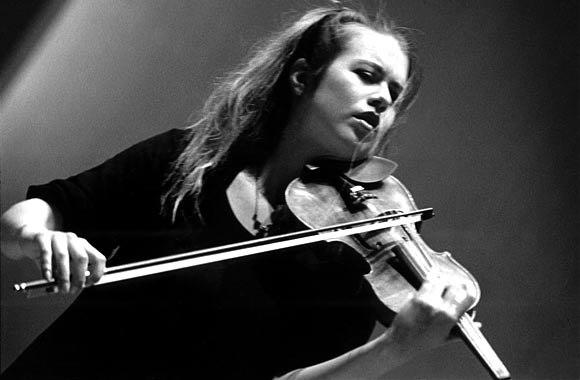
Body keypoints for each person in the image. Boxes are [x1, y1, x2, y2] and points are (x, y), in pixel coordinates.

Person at [1, 6, 475, 380]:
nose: (383, 100)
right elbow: (26, 219)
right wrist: (40, 237)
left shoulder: (347, 256)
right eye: (368, 76)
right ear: (302, 77)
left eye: (394, 93)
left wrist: (397, 347)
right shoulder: (187, 162)